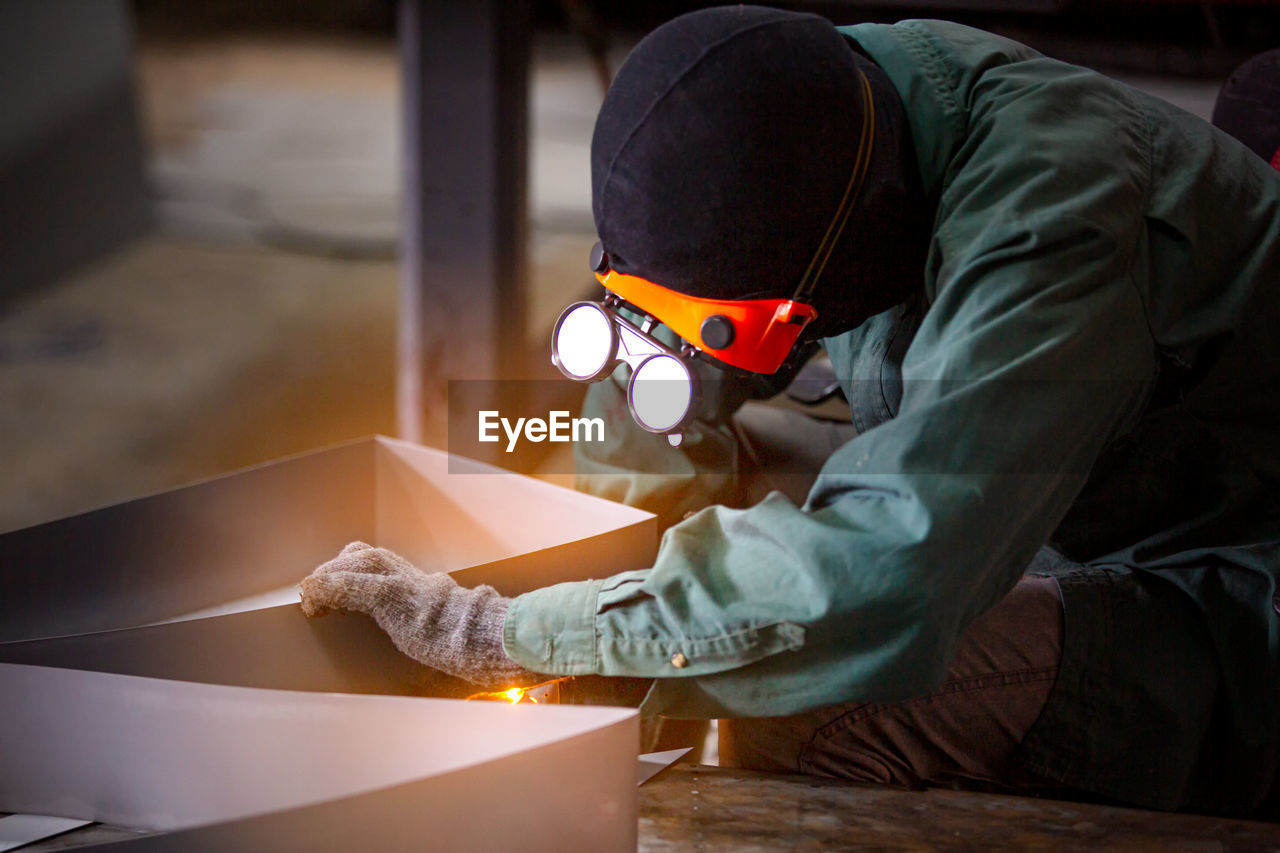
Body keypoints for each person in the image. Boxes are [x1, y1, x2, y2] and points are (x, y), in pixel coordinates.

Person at [300, 7, 1280, 815]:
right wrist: (578, 577)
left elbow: (889, 570)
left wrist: (504, 634)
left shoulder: (1049, 229)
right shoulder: (805, 112)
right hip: (1052, 490)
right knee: (690, 563)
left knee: (812, 705)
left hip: (1217, 594)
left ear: (844, 261)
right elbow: (648, 404)